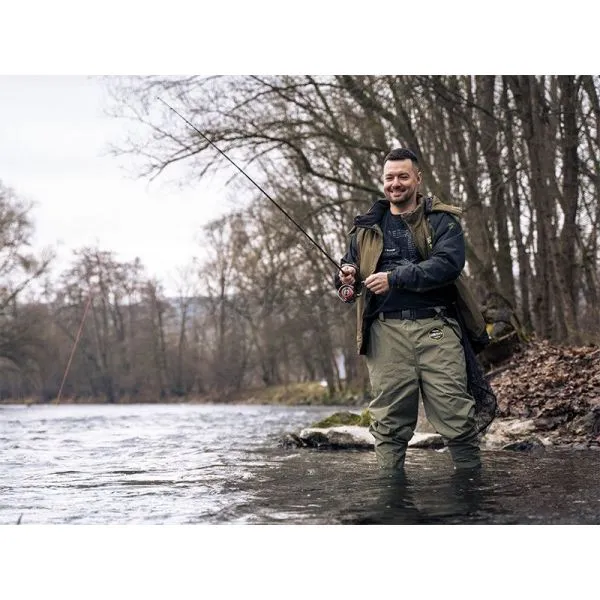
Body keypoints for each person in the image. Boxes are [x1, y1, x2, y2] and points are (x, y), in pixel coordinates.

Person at [336, 148, 480, 472]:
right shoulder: (365, 228)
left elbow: (448, 264)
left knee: (457, 415)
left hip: (437, 327)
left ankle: (472, 490)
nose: (396, 183)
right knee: (389, 424)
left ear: (418, 178)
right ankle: (391, 495)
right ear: (383, 181)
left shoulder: (442, 220)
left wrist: (394, 278)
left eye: (403, 176)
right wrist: (346, 277)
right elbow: (349, 276)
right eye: (390, 177)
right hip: (385, 332)